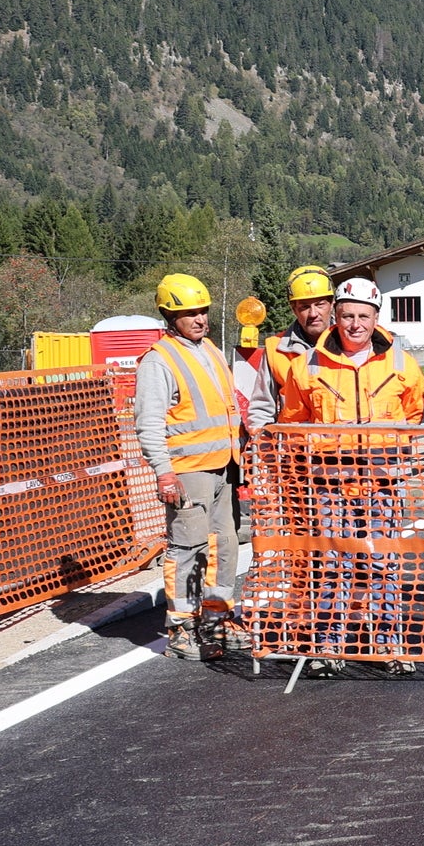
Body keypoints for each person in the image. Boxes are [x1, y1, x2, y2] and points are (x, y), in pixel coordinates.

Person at [272, 275, 424, 678]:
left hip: (382, 481)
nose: (355, 324)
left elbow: (414, 411)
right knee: (331, 561)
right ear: (335, 317)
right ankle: (329, 642)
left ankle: (387, 641)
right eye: (347, 316)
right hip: (329, 482)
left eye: (363, 316)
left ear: (376, 317)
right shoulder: (307, 365)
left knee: (383, 561)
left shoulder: (399, 361)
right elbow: (293, 420)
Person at [133, 273, 242, 662]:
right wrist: (164, 471)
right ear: (168, 316)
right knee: (187, 549)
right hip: (188, 472)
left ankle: (216, 618)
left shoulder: (210, 350)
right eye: (189, 313)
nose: (200, 319)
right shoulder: (159, 360)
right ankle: (181, 628)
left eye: (203, 311)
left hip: (223, 467)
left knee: (225, 545)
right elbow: (148, 423)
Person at [248, 265, 336, 433]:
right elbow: (262, 408)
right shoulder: (276, 349)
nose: (313, 313)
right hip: (294, 450)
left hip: (342, 450)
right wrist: (264, 445)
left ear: (332, 304)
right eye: (304, 307)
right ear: (293, 309)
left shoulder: (349, 344)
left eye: (320, 304)